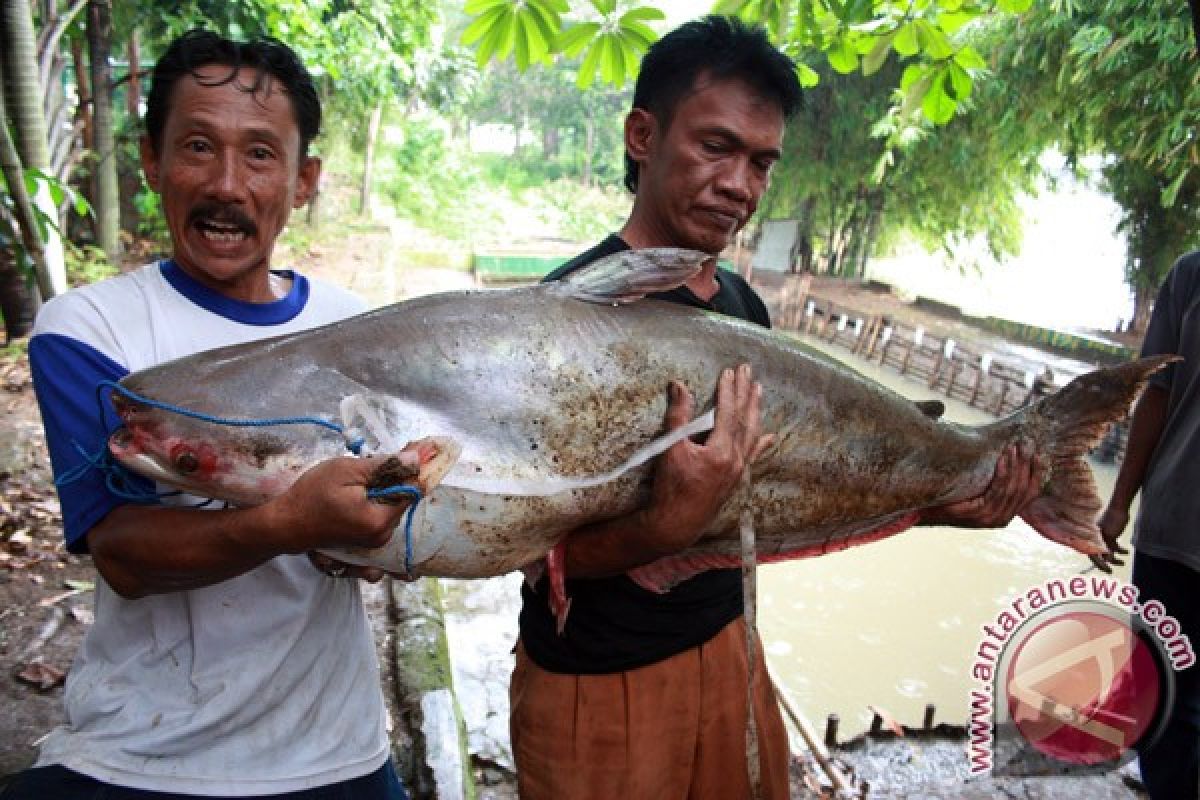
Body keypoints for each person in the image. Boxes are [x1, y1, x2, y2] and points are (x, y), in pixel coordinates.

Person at [510, 15, 1041, 800]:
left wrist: (940, 505)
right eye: (715, 147)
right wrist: (666, 525)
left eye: (761, 163)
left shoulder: (741, 308)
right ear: (642, 136)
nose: (740, 186)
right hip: (600, 681)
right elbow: (527, 553)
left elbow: (780, 494)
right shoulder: (569, 318)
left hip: (730, 648)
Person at [5, 31, 413, 799]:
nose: (227, 183)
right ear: (152, 162)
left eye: (261, 154)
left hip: (339, 749)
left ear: (304, 180)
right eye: (198, 146)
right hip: (144, 753)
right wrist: (297, 522)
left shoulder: (353, 324)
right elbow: (125, 554)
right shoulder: (91, 329)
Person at [1094, 251, 1200, 800]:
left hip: (1177, 525)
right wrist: (1119, 505)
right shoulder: (1190, 274)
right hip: (1177, 526)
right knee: (1164, 687)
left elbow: (1157, 397)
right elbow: (1155, 392)